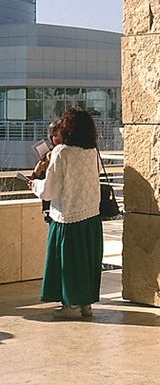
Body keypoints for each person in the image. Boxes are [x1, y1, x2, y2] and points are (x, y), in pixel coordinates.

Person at [28, 107, 103, 320]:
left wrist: (34, 184)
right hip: (91, 217)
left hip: (68, 217)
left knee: (68, 263)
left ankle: (70, 305)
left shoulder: (61, 152)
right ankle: (85, 304)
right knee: (86, 262)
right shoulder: (92, 151)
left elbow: (50, 190)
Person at [31, 120, 62, 224]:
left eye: (59, 135)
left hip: (58, 202)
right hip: (49, 199)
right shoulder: (50, 154)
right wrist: (37, 171)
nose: (57, 138)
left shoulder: (60, 153)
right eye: (54, 135)